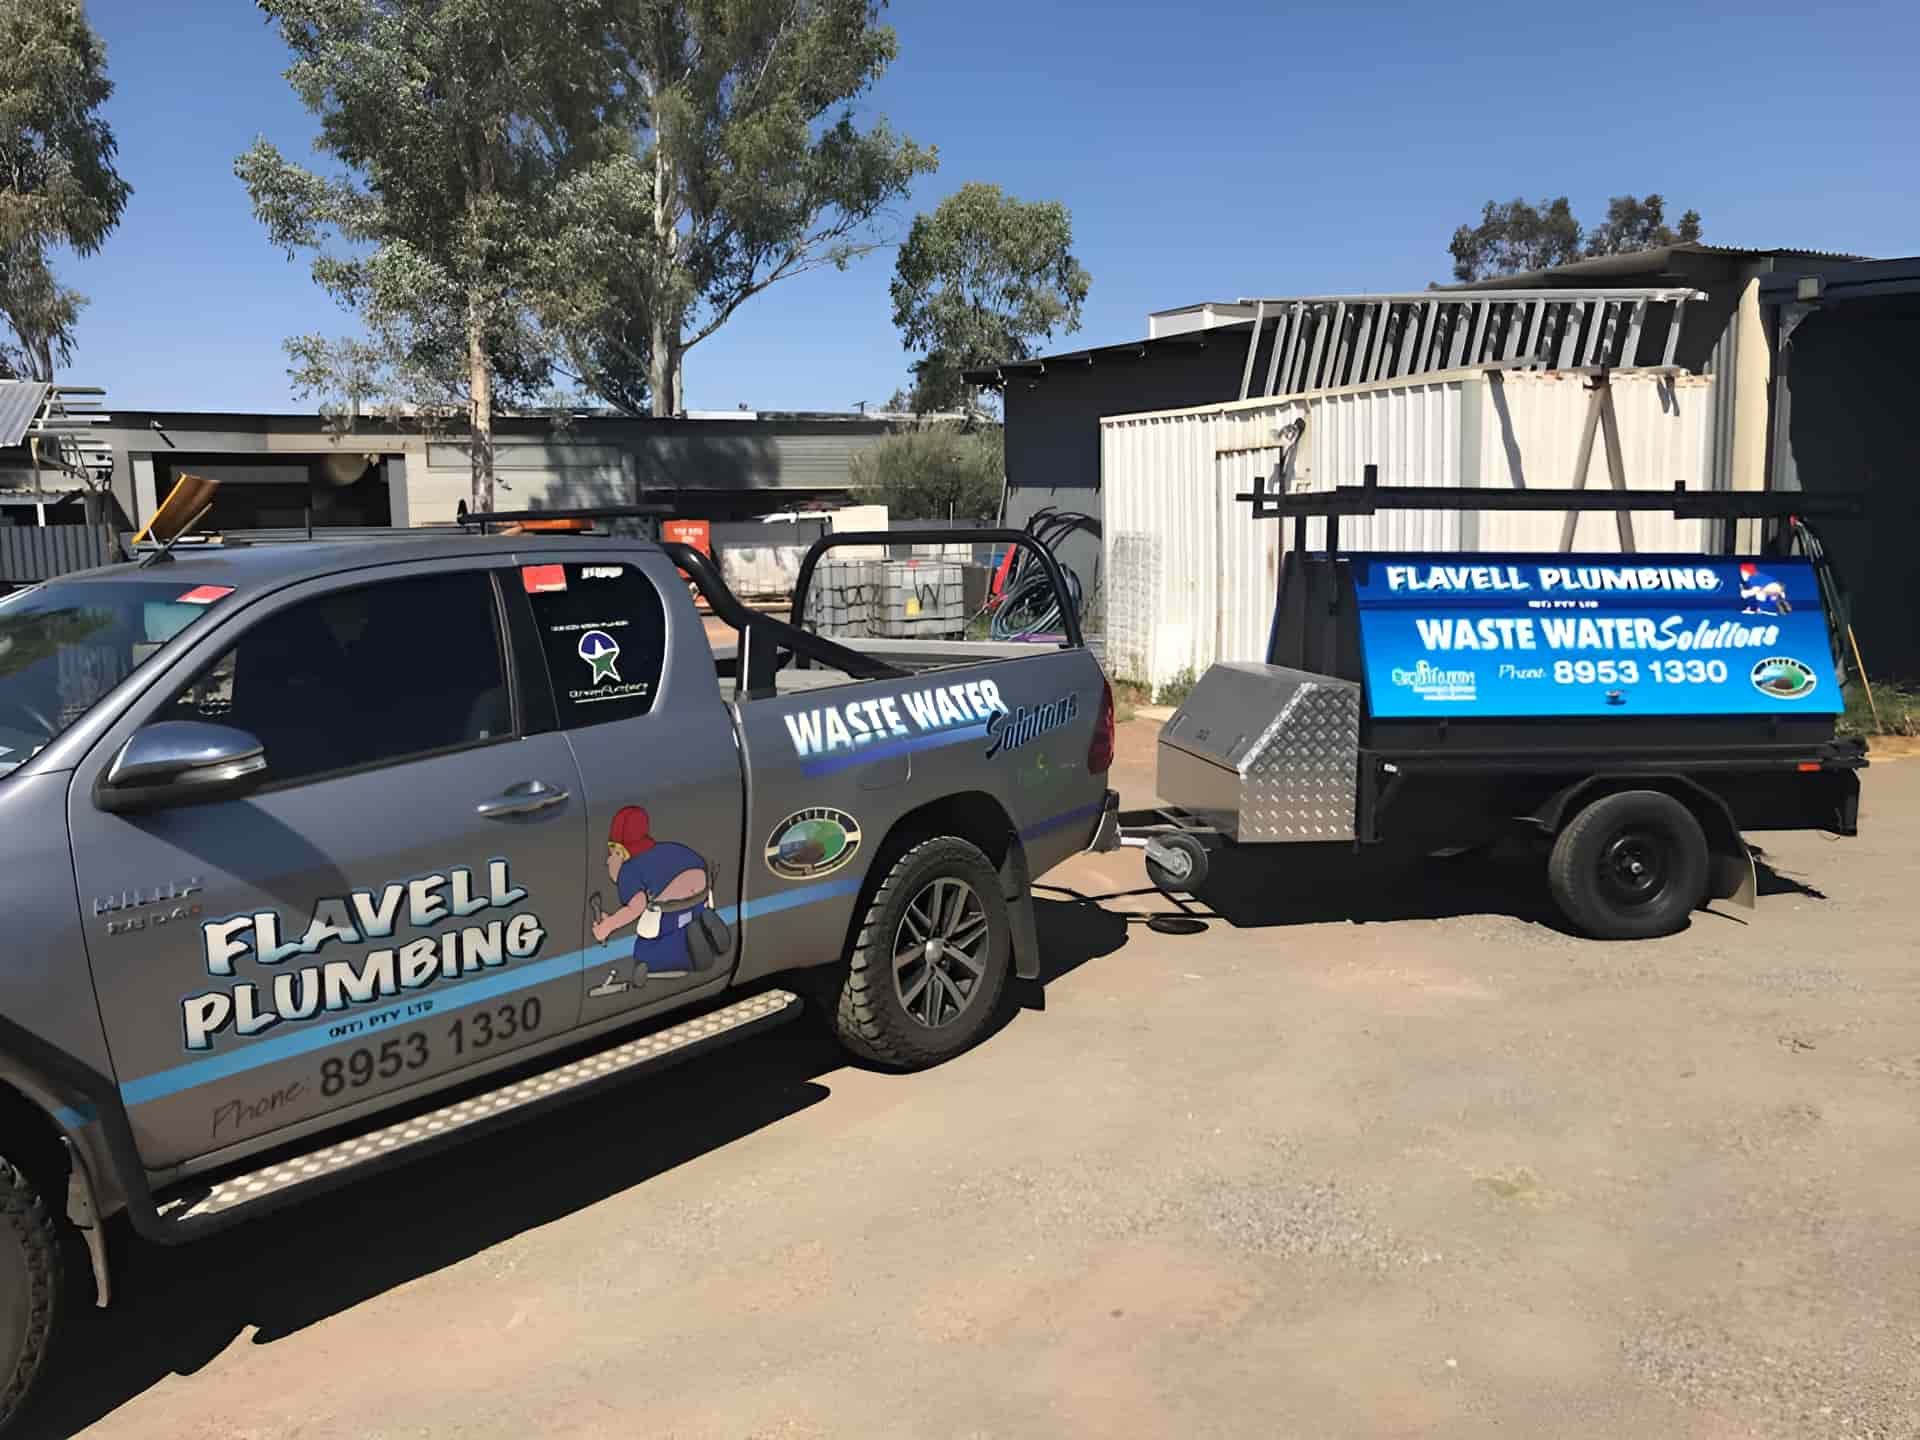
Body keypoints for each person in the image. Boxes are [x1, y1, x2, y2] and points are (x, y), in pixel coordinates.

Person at [591, 806, 710, 981]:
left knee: (646, 948)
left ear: (619, 851)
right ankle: (704, 933)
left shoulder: (629, 870)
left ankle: (672, 962)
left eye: (612, 852)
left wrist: (606, 928)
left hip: (670, 910)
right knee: (687, 922)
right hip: (700, 895)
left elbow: (636, 906)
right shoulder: (668, 848)